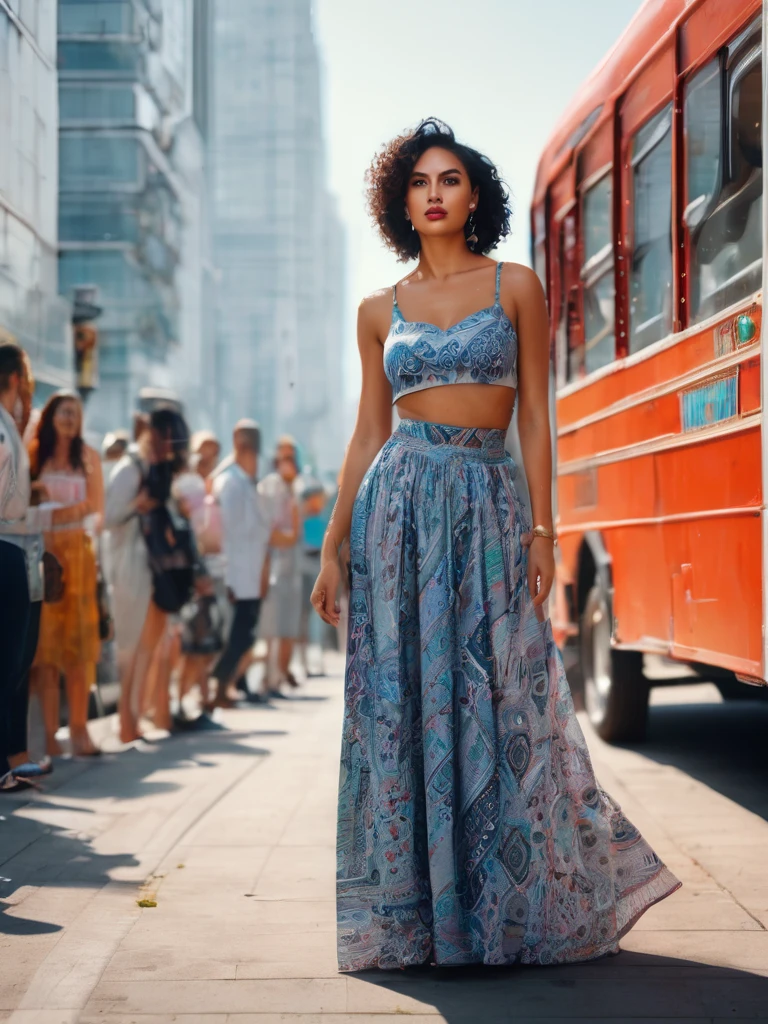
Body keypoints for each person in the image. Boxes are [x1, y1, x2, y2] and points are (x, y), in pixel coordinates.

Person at [312, 119, 681, 972]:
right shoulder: (379, 310)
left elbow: (537, 419)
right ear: (401, 203)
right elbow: (368, 432)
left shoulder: (515, 284)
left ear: (475, 195)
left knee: (506, 698)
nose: (433, 193)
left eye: (449, 179)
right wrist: (335, 545)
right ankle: (417, 922)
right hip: (399, 511)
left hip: (488, 504)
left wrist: (545, 529)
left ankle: (505, 910)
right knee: (405, 706)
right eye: (418, 183)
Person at [104, 406, 192, 743]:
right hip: (130, 566)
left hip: (155, 568)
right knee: (130, 645)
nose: (168, 445)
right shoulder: (130, 468)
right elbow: (109, 517)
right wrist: (135, 506)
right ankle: (125, 721)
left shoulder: (160, 470)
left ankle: (134, 718)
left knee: (147, 646)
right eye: (165, 436)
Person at [29, 392, 104, 758]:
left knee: (80, 651)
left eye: (75, 412)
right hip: (43, 558)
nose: (70, 418)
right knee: (46, 653)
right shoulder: (33, 453)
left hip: (80, 559)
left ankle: (79, 729)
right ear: (51, 415)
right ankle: (48, 736)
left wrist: (55, 513)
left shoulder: (90, 457)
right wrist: (61, 515)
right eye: (64, 411)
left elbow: (96, 507)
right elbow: (24, 505)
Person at [207, 420, 274, 707]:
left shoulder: (247, 481)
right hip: (234, 574)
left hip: (250, 573)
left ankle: (229, 687)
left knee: (244, 636)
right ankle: (218, 691)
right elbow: (228, 535)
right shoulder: (229, 482)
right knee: (233, 637)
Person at [258, 440, 302, 693]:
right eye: (284, 457)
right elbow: (270, 533)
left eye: (291, 457)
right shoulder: (268, 488)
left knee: (288, 626)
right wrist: (288, 536)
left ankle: (282, 674)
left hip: (292, 568)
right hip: (273, 566)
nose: (288, 462)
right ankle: (269, 680)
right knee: (271, 628)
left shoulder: (296, 488)